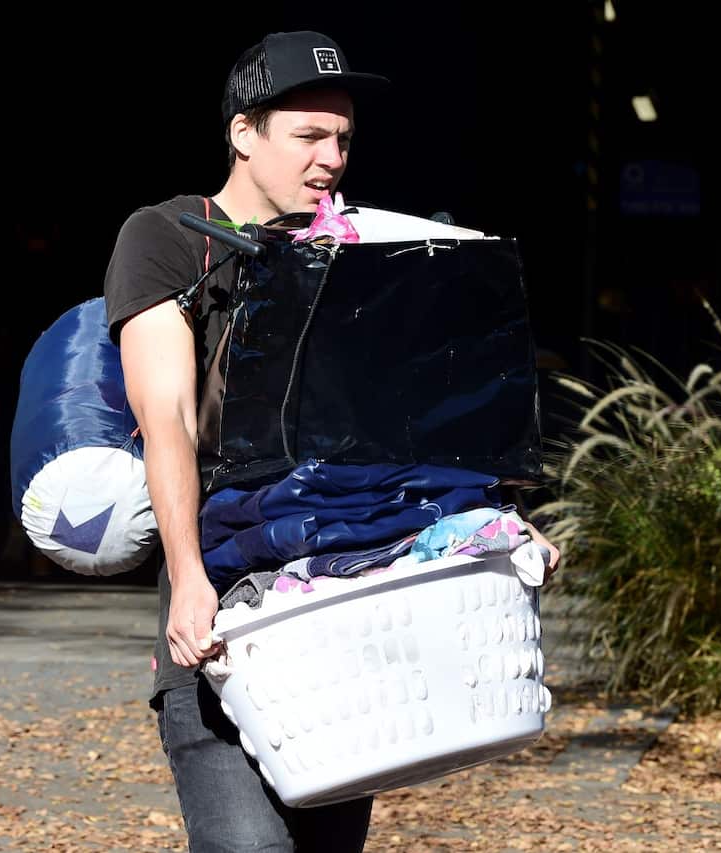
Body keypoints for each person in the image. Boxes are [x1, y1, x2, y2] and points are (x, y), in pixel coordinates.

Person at [104, 31, 560, 851]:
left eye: (343, 138)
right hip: (226, 603)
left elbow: (409, 436)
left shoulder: (358, 252)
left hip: (350, 607)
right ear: (244, 133)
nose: (331, 158)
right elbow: (164, 415)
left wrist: (492, 524)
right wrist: (187, 579)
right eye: (308, 135)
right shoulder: (169, 237)